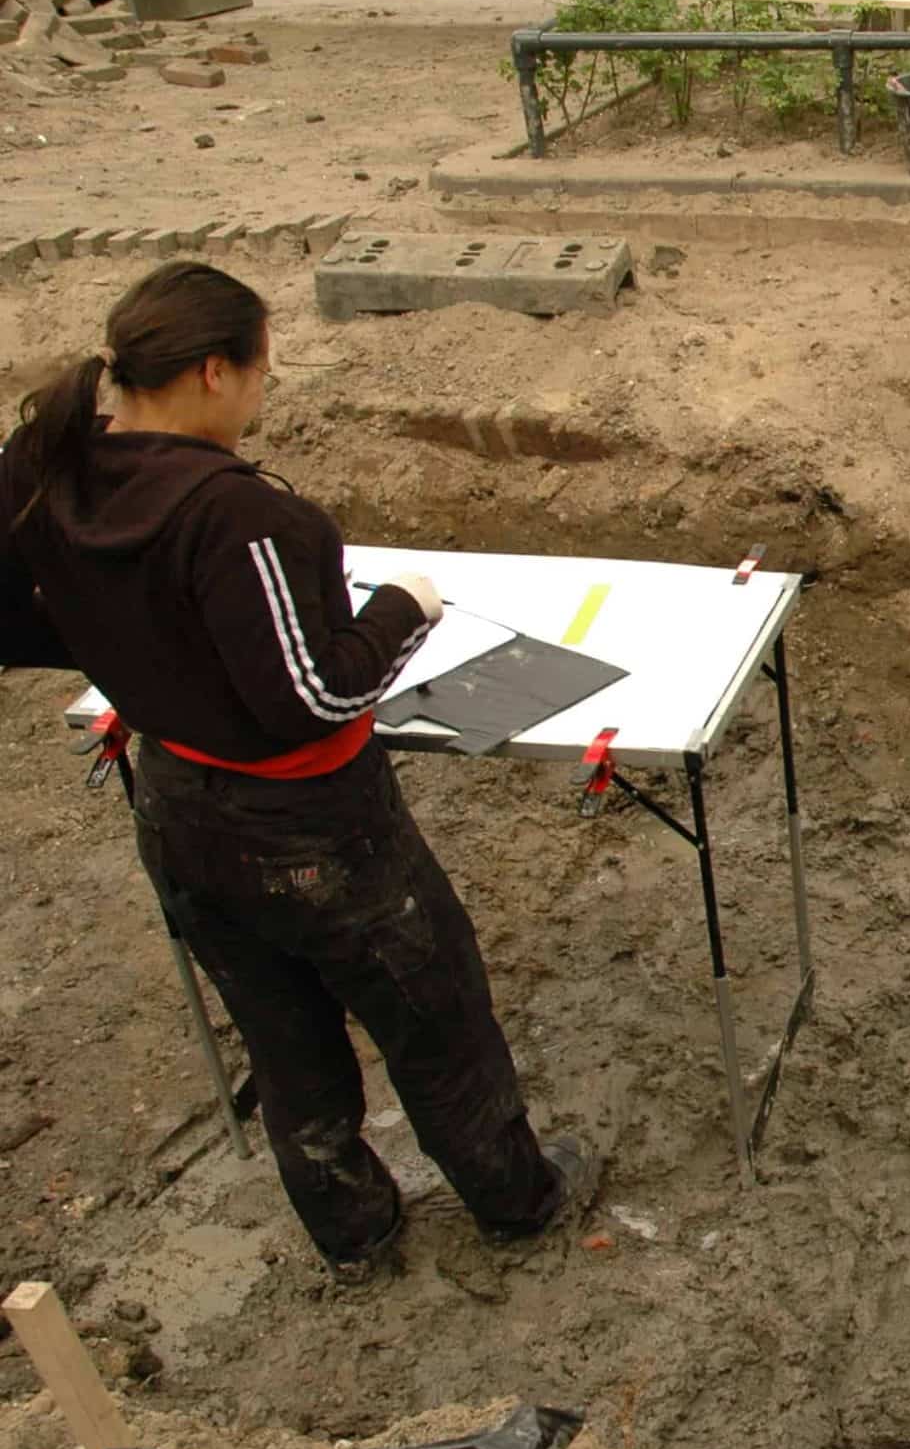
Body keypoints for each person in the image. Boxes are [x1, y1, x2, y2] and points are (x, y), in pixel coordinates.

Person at [0, 261, 592, 1278]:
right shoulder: (232, 514)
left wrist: (144, 660)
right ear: (214, 372)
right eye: (263, 373)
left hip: (180, 805)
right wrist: (402, 609)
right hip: (313, 825)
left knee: (282, 1030)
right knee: (433, 1011)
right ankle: (516, 1200)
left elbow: (23, 616)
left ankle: (353, 1229)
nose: (264, 397)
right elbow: (312, 698)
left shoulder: (52, 465)